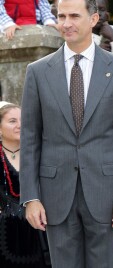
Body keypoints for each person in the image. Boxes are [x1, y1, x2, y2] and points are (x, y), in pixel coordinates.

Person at [19, 0, 113, 268]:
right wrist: (31, 197)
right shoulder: (37, 72)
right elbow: (30, 138)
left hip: (107, 196)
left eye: (74, 15)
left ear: (94, 19)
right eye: (61, 16)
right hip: (54, 196)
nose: (66, 23)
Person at [0, 102, 51, 268]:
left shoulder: (38, 153)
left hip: (40, 229)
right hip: (5, 232)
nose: (20, 125)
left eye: (23, 119)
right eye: (12, 121)